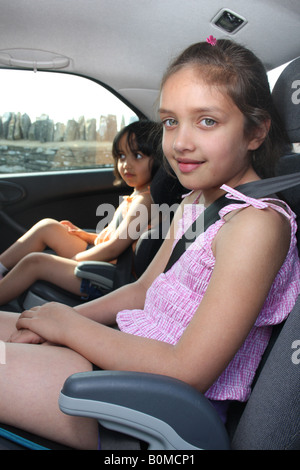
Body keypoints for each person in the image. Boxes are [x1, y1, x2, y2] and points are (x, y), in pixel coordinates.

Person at [0, 38, 299, 450]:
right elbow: (142, 290)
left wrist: (68, 327)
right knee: (12, 326)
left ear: (256, 131)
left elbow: (188, 370)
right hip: (122, 356)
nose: (179, 143)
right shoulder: (196, 200)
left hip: (148, 406)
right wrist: (59, 323)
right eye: (171, 121)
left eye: (207, 121)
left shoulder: (258, 225)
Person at [0, 120, 162, 304]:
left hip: (108, 278)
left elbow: (114, 248)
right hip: (108, 262)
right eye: (122, 156)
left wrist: (76, 258)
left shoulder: (145, 201)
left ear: (158, 158)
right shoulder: (138, 194)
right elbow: (114, 238)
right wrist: (84, 235)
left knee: (34, 262)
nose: (126, 164)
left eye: (138, 156)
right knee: (48, 227)